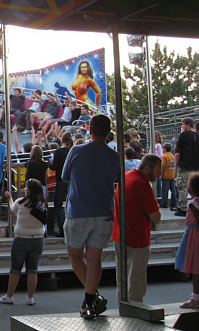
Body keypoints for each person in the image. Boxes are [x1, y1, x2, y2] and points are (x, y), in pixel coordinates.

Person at [61, 114, 120, 319]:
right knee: (95, 260)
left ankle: (92, 297)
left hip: (78, 211)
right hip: (103, 212)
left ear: (90, 130)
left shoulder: (77, 150)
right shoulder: (114, 157)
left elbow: (65, 177)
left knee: (75, 257)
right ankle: (89, 299)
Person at [111, 154, 161, 304]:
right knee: (136, 281)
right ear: (147, 168)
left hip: (120, 234)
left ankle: (122, 306)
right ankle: (135, 309)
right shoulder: (143, 185)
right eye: (158, 169)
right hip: (137, 238)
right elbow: (155, 217)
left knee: (122, 278)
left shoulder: (125, 177)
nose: (159, 173)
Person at [0, 180, 46, 306]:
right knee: (33, 269)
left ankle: (9, 296)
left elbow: (13, 208)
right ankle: (30, 298)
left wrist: (9, 198)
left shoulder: (21, 202)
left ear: (28, 190)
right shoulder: (43, 202)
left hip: (22, 238)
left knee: (15, 268)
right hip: (38, 238)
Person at [176, 172, 199, 309]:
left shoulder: (193, 203)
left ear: (190, 189)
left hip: (195, 236)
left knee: (196, 268)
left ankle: (196, 297)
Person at [48, 132, 73, 237]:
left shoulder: (59, 152)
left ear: (62, 140)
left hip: (61, 180)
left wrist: (48, 163)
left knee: (58, 205)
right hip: (72, 182)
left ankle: (62, 229)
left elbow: (54, 167)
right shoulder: (72, 151)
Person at [175, 118, 199, 215]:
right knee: (196, 187)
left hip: (184, 165)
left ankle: (183, 208)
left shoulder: (183, 135)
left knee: (182, 186)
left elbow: (177, 151)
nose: (182, 126)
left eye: (183, 124)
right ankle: (195, 206)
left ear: (188, 125)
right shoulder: (197, 136)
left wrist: (176, 165)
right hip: (196, 166)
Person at [162, 142, 178, 209]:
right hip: (172, 175)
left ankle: (164, 203)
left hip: (166, 175)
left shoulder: (164, 156)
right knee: (173, 190)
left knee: (165, 190)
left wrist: (161, 175)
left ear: (165, 149)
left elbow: (163, 166)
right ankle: (173, 203)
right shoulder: (172, 156)